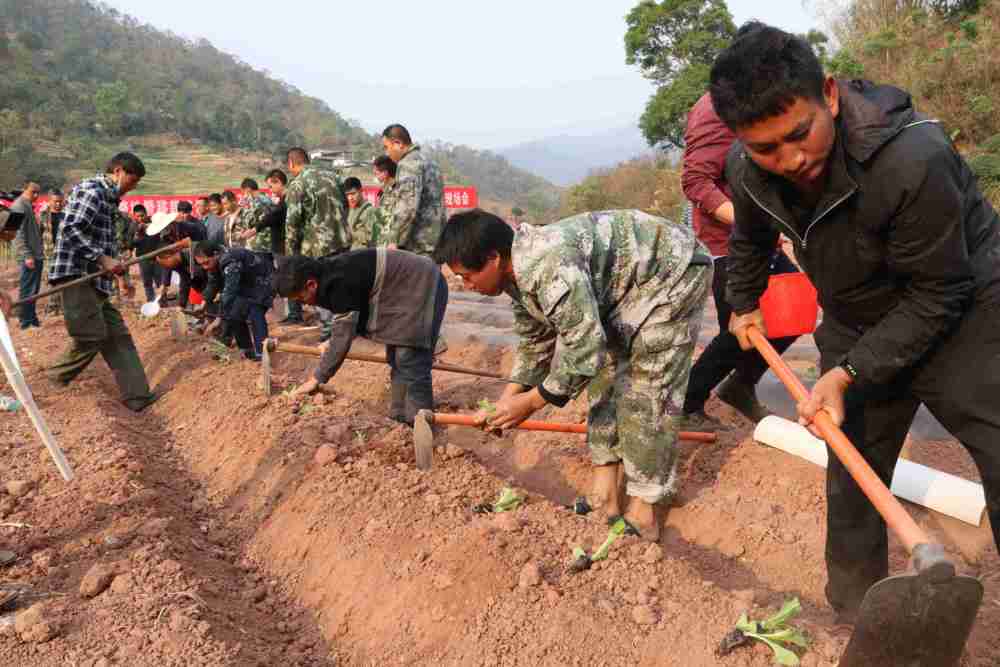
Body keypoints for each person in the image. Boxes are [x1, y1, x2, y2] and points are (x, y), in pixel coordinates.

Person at [711, 24, 1000, 619]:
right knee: (852, 473)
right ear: (741, 141)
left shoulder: (913, 158)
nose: (790, 160)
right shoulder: (748, 171)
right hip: (855, 313)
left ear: (831, 95)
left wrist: (843, 374)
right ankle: (856, 616)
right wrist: (743, 303)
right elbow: (748, 238)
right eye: (766, 148)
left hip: (963, 306)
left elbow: (938, 293)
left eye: (800, 134)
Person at [434, 209, 712, 541]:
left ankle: (644, 511)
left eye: (467, 276)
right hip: (625, 287)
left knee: (648, 387)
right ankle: (604, 496)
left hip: (672, 271)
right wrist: (504, 404)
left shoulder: (548, 266)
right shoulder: (515, 273)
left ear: (493, 258)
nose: (466, 285)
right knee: (605, 378)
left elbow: (585, 352)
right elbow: (535, 342)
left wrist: (532, 401)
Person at [680, 89, 800, 429]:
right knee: (739, 330)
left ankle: (740, 385)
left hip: (761, 238)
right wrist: (745, 219)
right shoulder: (716, 109)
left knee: (789, 315)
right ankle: (687, 404)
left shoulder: (754, 103)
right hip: (730, 244)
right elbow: (696, 181)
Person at [273, 251, 448, 424]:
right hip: (403, 289)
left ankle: (421, 426)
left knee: (410, 359)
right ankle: (399, 419)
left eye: (301, 298)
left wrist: (317, 378)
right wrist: (331, 341)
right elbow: (350, 320)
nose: (305, 304)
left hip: (424, 282)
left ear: (311, 284)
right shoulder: (327, 276)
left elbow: (343, 336)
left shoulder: (338, 283)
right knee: (396, 358)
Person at [46, 152, 156, 411]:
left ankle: (138, 396)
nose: (134, 186)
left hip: (94, 278)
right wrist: (102, 259)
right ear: (118, 170)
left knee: (117, 335)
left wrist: (115, 273)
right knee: (90, 335)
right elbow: (70, 228)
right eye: (133, 179)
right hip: (76, 274)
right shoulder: (91, 190)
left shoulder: (109, 199)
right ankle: (52, 381)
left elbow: (102, 241)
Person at [284, 146, 350, 336]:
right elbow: (344, 206)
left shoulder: (298, 184)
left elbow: (292, 223)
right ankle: (347, 326)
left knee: (322, 286)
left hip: (317, 246)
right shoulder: (333, 177)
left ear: (291, 163)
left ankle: (330, 330)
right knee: (341, 283)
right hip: (342, 240)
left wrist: (291, 255)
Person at [194, 242, 273, 361]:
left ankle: (262, 353)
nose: (205, 267)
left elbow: (230, 292)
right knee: (234, 315)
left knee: (255, 311)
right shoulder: (214, 264)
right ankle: (247, 350)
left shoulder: (229, 261)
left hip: (264, 280)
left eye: (206, 262)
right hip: (247, 285)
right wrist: (203, 305)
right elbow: (213, 283)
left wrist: (219, 319)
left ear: (215, 254)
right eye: (201, 265)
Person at [381, 124, 445, 257]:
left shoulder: (408, 164)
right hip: (435, 240)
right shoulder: (429, 161)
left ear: (398, 143)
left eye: (387, 147)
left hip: (418, 244)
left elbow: (407, 207)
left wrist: (393, 239)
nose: (387, 153)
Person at [152, 202, 207, 309]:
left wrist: (188, 246)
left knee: (203, 285)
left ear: (170, 223)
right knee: (185, 280)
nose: (163, 231)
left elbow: (203, 245)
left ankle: (206, 310)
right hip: (183, 262)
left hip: (200, 260)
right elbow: (166, 261)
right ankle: (182, 306)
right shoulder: (165, 236)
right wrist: (164, 284)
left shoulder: (192, 228)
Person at [12, 183, 44, 329]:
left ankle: (31, 317)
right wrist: (27, 255)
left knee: (34, 289)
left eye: (38, 193)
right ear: (25, 189)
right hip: (29, 254)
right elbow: (17, 234)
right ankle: (25, 320)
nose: (36, 196)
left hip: (35, 253)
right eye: (33, 192)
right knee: (27, 289)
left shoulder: (28, 205)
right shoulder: (19, 205)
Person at [126, 204, 162, 303]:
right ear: (134, 216)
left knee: (159, 280)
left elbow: (163, 230)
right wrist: (137, 234)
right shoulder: (133, 226)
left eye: (142, 215)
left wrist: (149, 226)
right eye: (138, 216)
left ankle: (162, 299)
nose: (140, 218)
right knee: (147, 281)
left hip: (157, 256)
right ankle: (151, 300)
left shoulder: (154, 222)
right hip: (143, 258)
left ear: (146, 214)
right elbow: (129, 244)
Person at [237, 177, 276, 250]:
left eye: (244, 192)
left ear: (248, 189)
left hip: (260, 243)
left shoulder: (257, 201)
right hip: (268, 241)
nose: (244, 195)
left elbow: (249, 221)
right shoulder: (266, 197)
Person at [344, 177, 381, 249]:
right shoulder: (350, 209)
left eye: (353, 193)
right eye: (347, 195)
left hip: (363, 254)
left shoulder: (370, 210)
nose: (350, 198)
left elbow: (373, 238)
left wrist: (351, 233)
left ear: (361, 191)